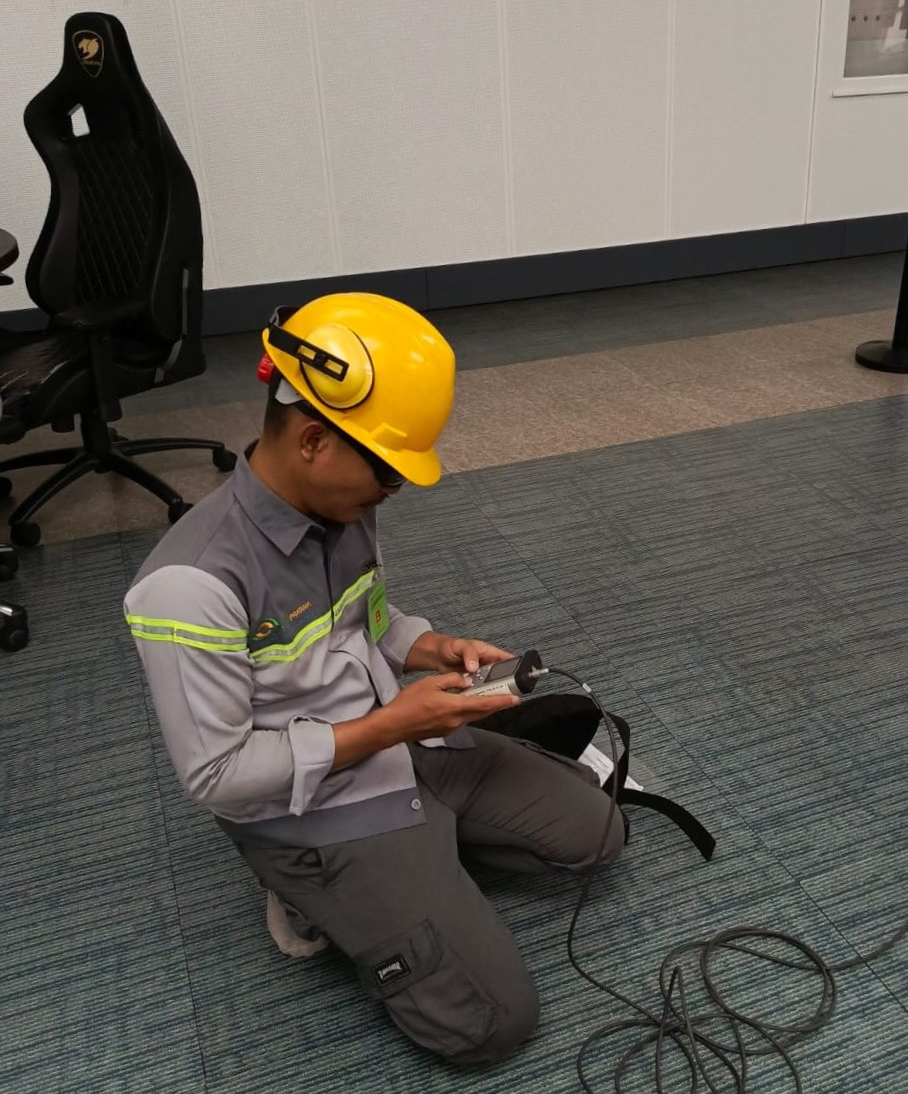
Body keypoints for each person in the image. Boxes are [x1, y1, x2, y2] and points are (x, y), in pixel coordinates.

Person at [124, 293, 625, 1065]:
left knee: (598, 833)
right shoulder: (188, 585)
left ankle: (418, 862)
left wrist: (429, 645)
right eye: (389, 469)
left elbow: (367, 623)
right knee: (490, 1024)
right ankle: (313, 889)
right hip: (308, 807)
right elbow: (216, 774)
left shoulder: (344, 503)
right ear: (315, 439)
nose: (395, 489)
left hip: (400, 742)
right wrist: (394, 724)